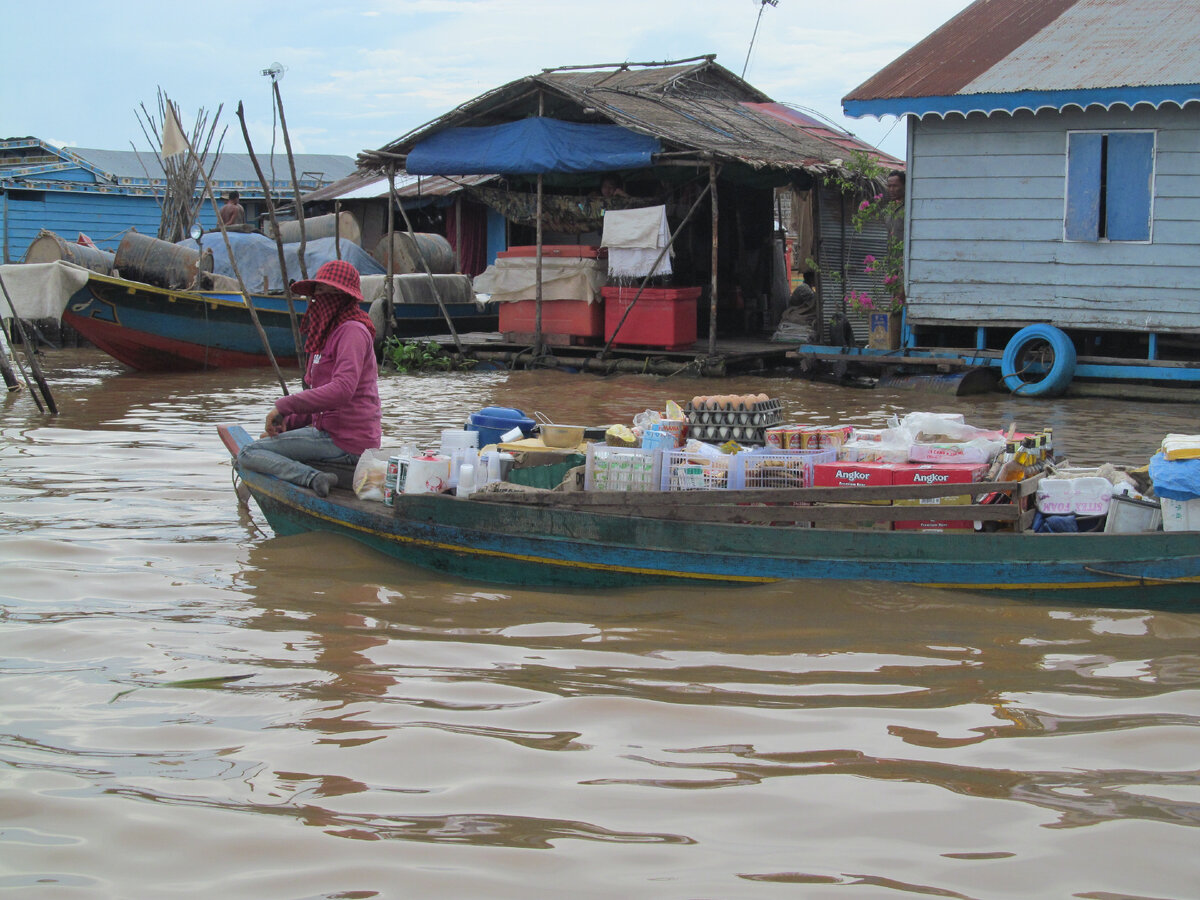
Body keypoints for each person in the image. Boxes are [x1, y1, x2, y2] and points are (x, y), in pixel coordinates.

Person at [237, 260, 380, 498]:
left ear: (345, 297)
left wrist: (282, 406)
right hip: (325, 433)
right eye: (319, 292)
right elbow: (321, 400)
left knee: (247, 454)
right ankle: (312, 475)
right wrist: (288, 421)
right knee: (263, 448)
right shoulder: (325, 336)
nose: (323, 299)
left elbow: (342, 390)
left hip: (347, 440)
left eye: (331, 292)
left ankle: (313, 478)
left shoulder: (352, 331)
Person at [885, 170, 906, 306]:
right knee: (895, 302)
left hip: (905, 266)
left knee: (902, 300)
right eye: (889, 186)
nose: (891, 190)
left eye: (895, 186)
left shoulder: (909, 209)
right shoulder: (889, 211)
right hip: (893, 266)